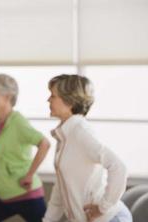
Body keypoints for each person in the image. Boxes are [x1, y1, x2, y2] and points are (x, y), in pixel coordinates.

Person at [43, 74, 132, 222]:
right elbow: (61, 186)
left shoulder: (80, 132)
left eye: (53, 96)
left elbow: (119, 167)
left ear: (69, 101)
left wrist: (103, 207)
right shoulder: (64, 134)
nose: (48, 100)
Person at [0, 74, 50, 222]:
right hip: (5, 195)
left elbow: (44, 144)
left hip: (25, 195)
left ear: (7, 97)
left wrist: (29, 175)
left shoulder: (18, 123)